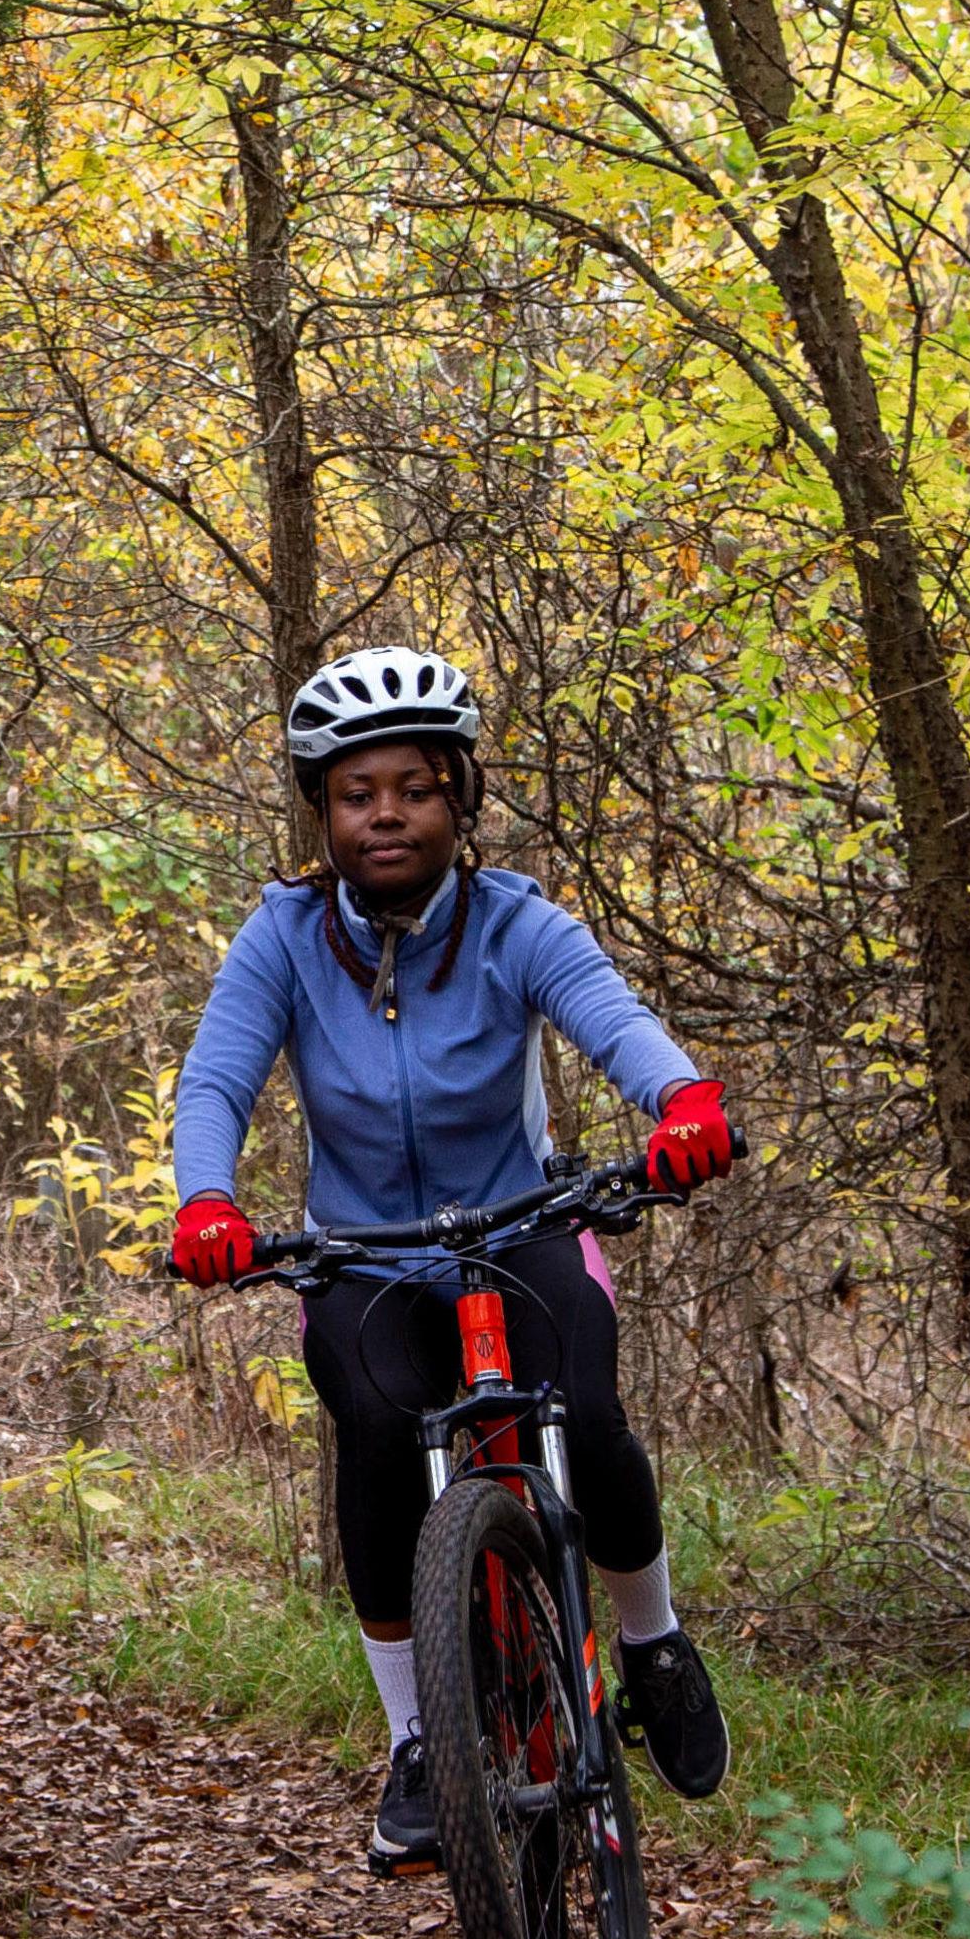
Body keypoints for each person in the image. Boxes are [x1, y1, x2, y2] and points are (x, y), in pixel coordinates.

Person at [170, 646, 734, 1876]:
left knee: (585, 1413)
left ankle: (651, 1640)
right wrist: (205, 1200)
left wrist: (681, 1102)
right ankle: (420, 1734)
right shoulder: (281, 937)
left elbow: (610, 1018)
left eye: (416, 787)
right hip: (363, 1253)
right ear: (322, 811)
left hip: (521, 1220)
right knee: (375, 1438)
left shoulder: (516, 922)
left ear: (459, 799)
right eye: (357, 791)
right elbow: (216, 1078)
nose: (386, 812)